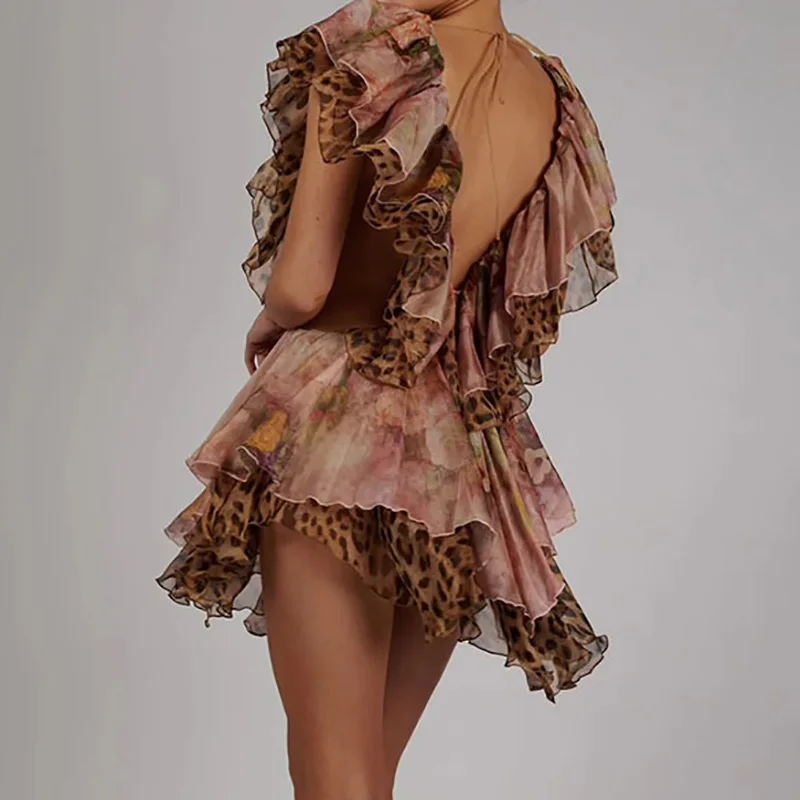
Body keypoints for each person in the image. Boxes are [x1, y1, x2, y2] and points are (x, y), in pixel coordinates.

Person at [157, 0, 618, 797]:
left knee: (335, 776)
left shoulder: (371, 51)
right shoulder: (552, 94)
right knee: (367, 775)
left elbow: (302, 287)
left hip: (338, 430)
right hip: (457, 459)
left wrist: (274, 314)